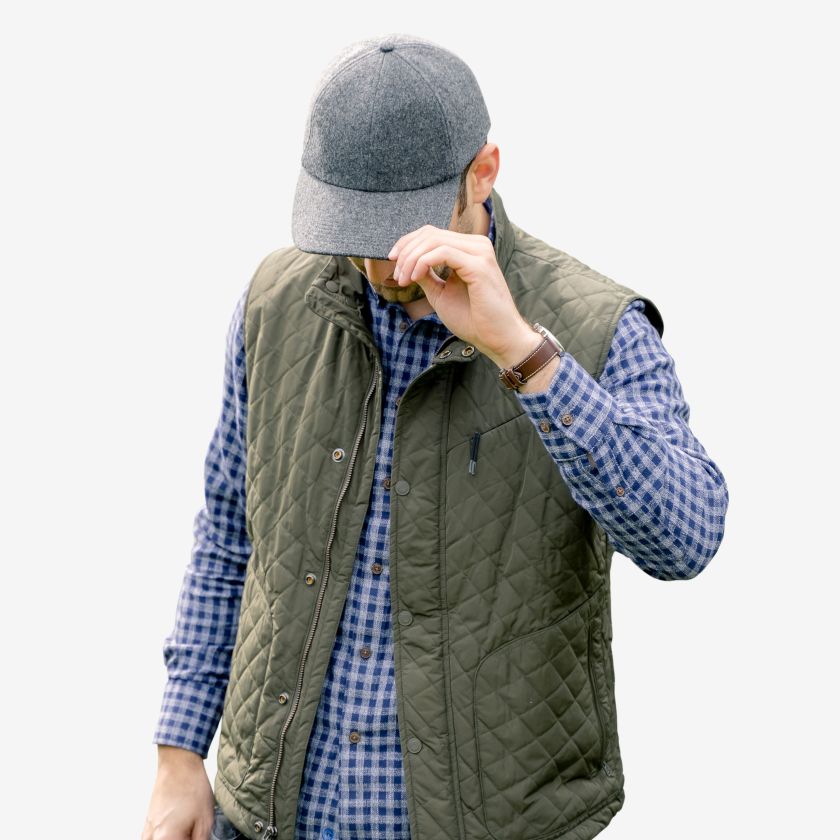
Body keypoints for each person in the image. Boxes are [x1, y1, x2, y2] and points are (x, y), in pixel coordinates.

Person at [143, 32, 729, 840]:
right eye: (355, 225)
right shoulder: (277, 301)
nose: (382, 262)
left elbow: (689, 537)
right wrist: (179, 754)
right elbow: (228, 537)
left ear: (482, 173)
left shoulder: (595, 327)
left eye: (400, 224)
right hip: (266, 816)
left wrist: (522, 354)